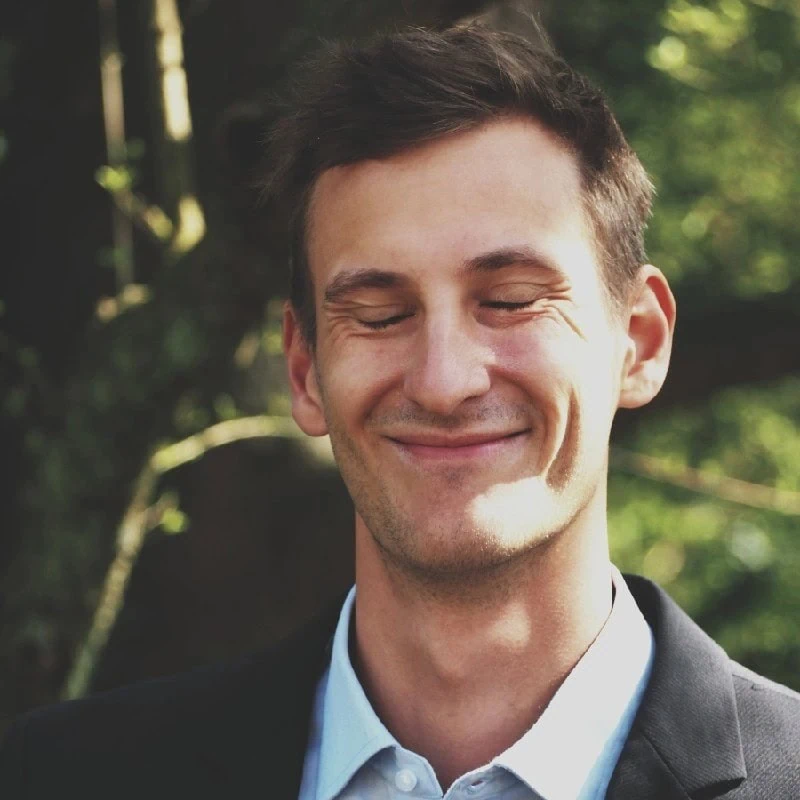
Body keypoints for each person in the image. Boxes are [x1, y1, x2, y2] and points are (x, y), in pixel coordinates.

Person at [1, 23, 798, 800]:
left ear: (640, 341)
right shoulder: (63, 777)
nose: (444, 381)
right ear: (305, 369)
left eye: (510, 301)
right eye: (379, 315)